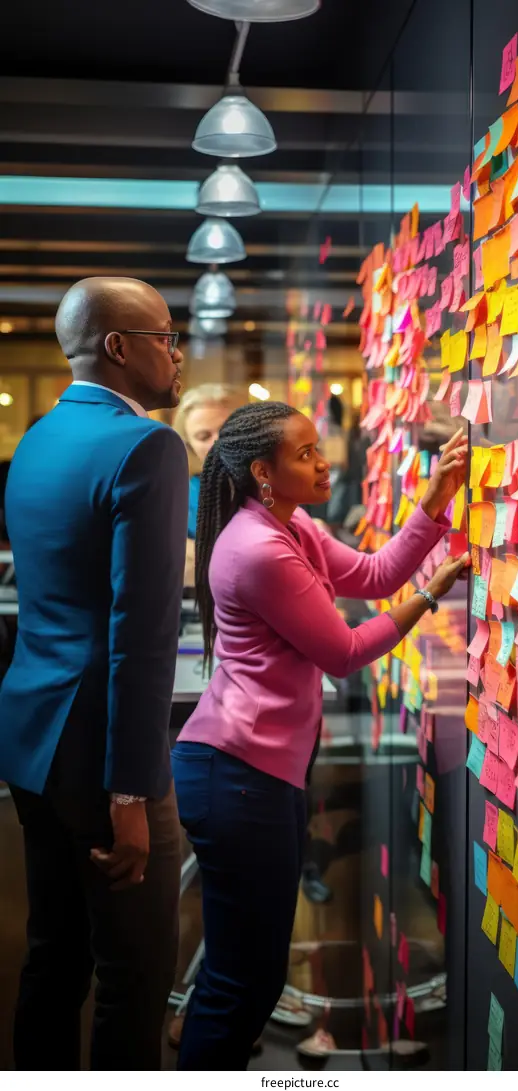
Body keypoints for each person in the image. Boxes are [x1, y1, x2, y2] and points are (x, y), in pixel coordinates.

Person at [171, 403, 469, 1070]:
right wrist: (432, 594)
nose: (323, 460)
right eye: (305, 453)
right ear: (262, 472)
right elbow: (343, 650)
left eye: (318, 446)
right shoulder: (258, 548)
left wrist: (433, 500)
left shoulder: (290, 524)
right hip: (235, 777)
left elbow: (373, 575)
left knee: (242, 978)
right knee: (240, 987)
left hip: (251, 774)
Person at [0, 276, 189, 1071]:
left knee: (54, 958)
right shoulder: (147, 445)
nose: (175, 352)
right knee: (135, 982)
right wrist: (131, 793)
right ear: (119, 346)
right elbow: (140, 635)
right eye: (165, 334)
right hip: (104, 756)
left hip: (32, 737)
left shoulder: (39, 436)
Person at [173, 384, 245, 589]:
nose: (218, 442)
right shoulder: (181, 495)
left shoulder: (273, 484)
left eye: (226, 430)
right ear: (189, 445)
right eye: (204, 437)